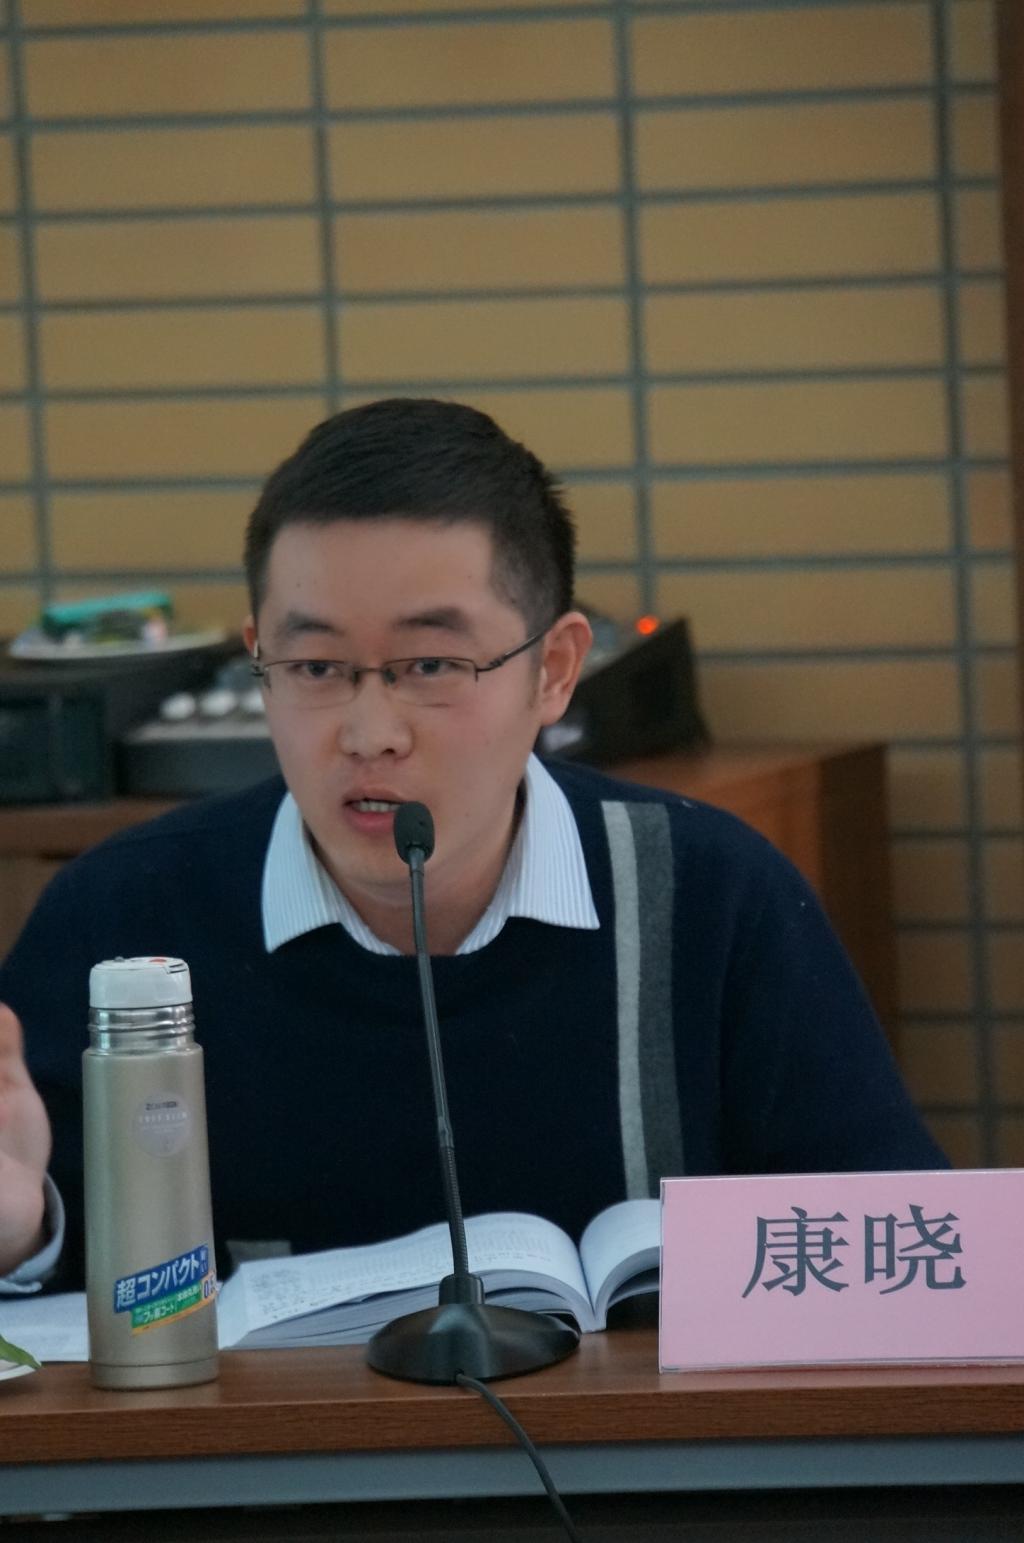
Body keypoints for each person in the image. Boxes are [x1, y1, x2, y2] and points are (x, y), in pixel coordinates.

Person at [0, 397, 946, 1295]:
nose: (370, 732)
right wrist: (19, 1238)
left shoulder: (711, 898)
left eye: (431, 665)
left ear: (554, 670)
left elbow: (894, 1253)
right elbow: (55, 1264)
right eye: (316, 665)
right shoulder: (125, 920)